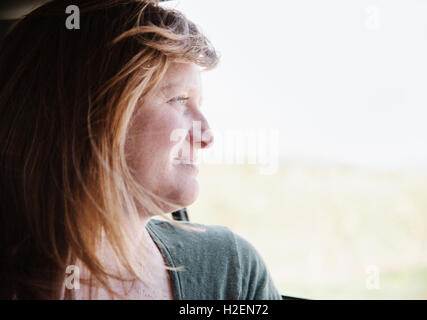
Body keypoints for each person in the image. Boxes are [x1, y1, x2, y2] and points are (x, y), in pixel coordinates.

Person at [0, 0, 282, 300]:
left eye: (199, 104)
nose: (207, 136)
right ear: (88, 117)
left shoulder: (230, 271)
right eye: (179, 99)